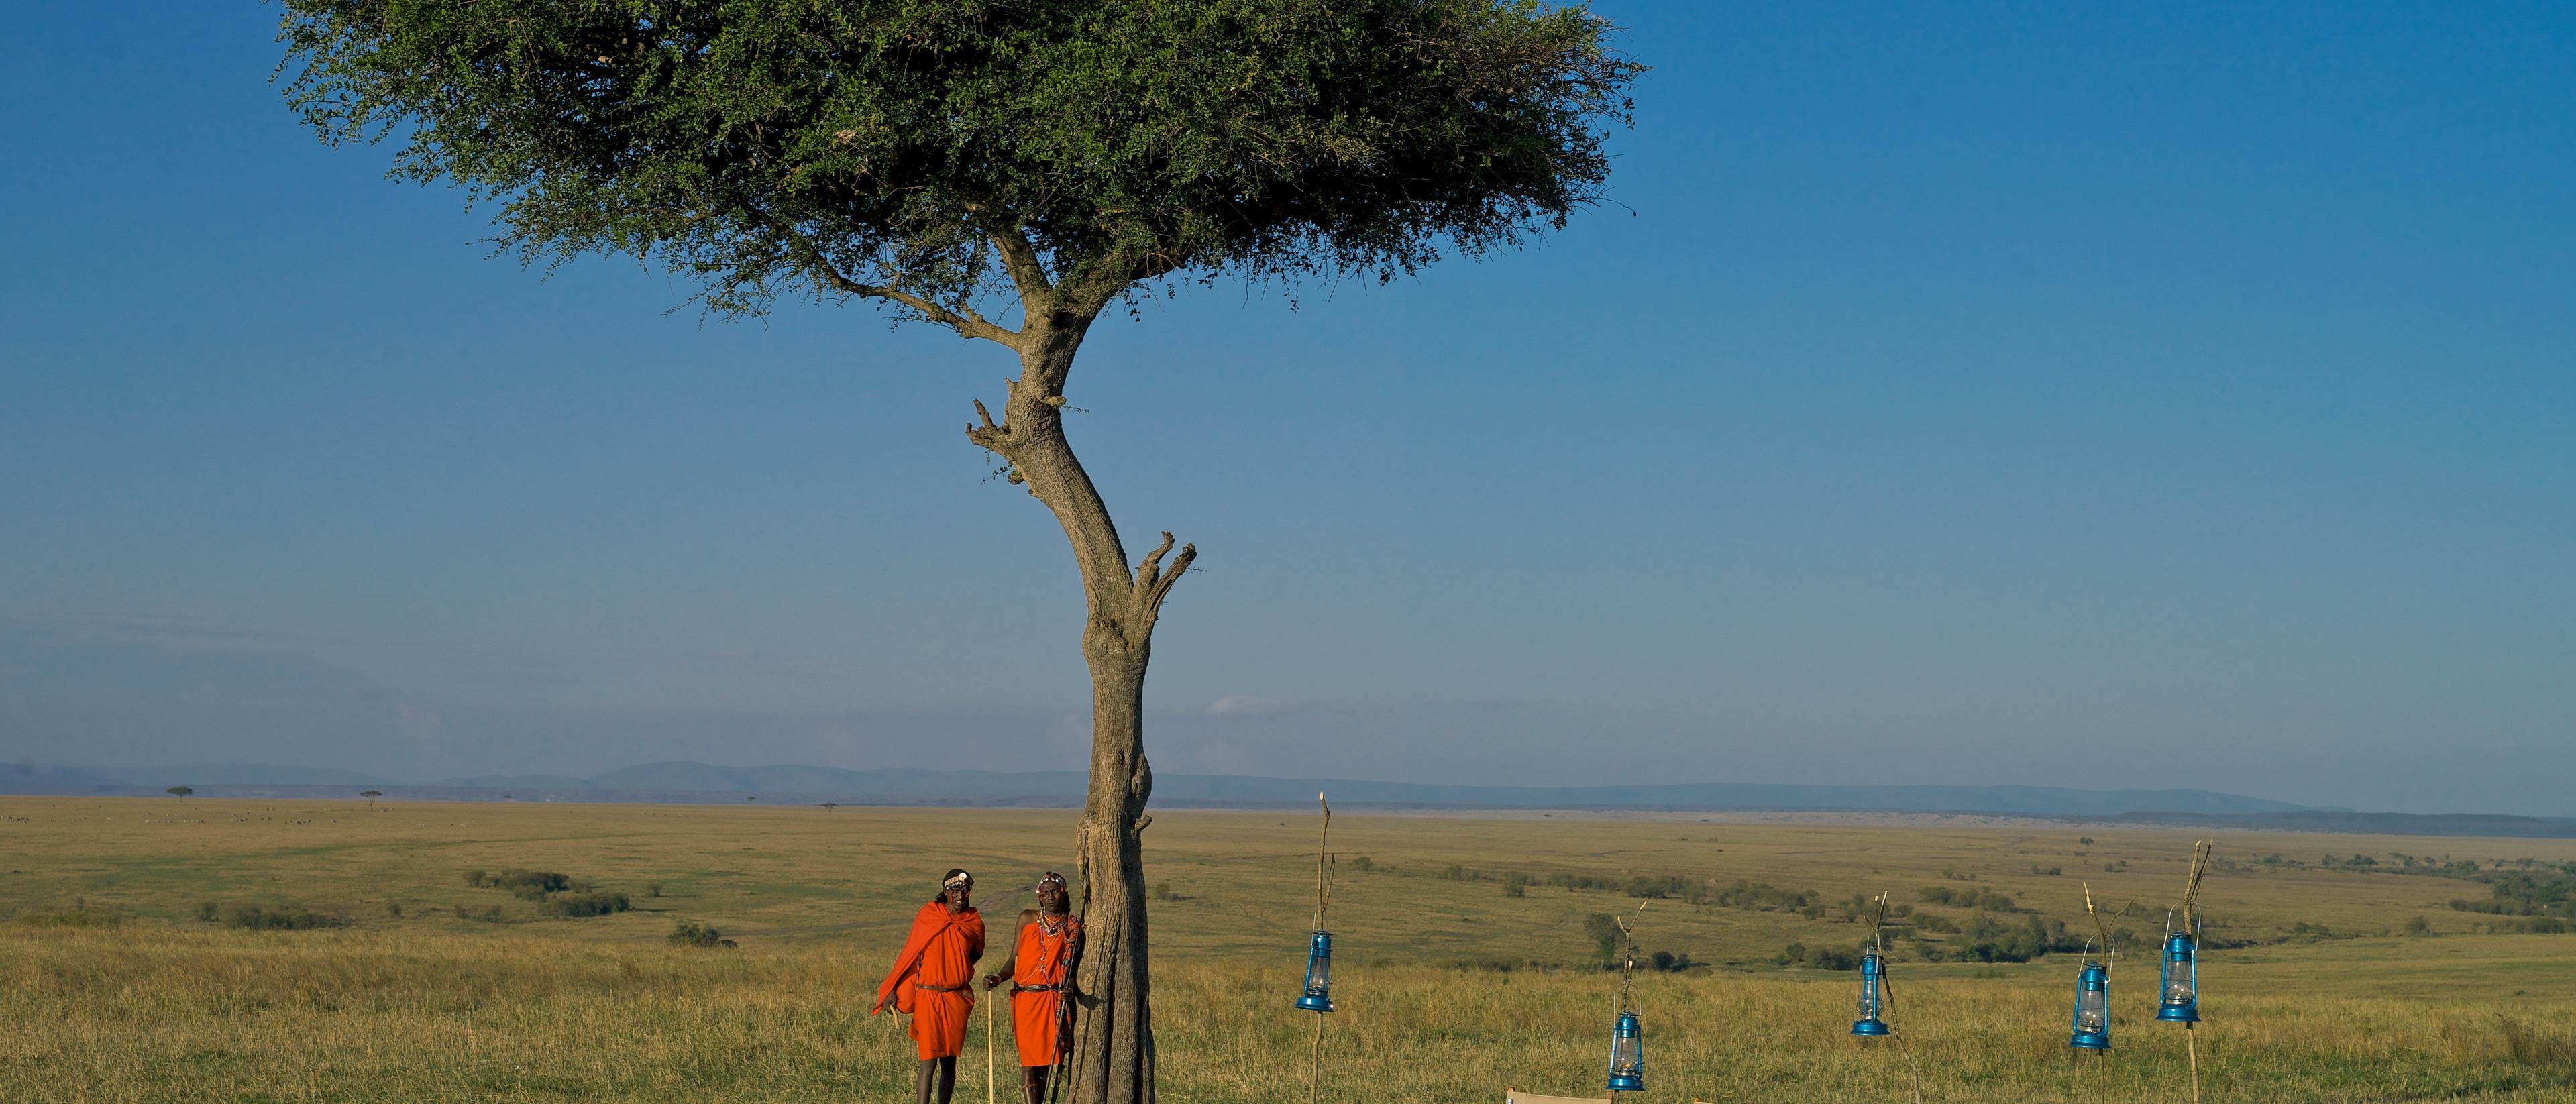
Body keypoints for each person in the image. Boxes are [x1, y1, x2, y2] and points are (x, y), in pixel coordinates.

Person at [876, 869, 986, 1104]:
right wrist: (892, 989)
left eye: (965, 890)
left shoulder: (973, 920)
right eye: (955, 890)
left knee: (949, 1060)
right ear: (946, 892)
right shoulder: (929, 914)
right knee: (928, 1061)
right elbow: (910, 953)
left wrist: (954, 966)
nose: (960, 895)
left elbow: (975, 953)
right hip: (928, 996)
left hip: (956, 997)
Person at [983, 871, 1083, 1104]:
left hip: (1052, 1001)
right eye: (1045, 893)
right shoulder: (1026, 919)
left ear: (1063, 893)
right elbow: (1013, 960)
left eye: (1054, 892)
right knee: (1029, 1063)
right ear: (1039, 897)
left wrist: (1070, 988)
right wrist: (998, 978)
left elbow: (1073, 968)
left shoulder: (1071, 927)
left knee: (1048, 1065)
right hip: (1026, 1000)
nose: (1050, 897)